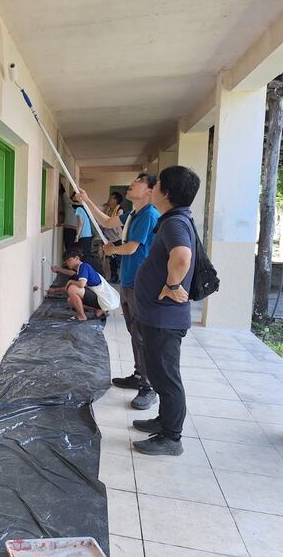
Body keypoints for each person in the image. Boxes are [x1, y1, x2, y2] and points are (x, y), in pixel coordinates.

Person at [131, 165, 200, 456]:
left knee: (167, 378)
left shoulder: (174, 223)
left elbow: (182, 257)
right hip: (157, 317)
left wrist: (172, 286)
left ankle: (172, 437)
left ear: (166, 192)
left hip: (164, 318)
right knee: (160, 375)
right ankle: (164, 421)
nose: (153, 187)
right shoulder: (174, 219)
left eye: (157, 184)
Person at [79, 174, 160, 410]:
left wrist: (111, 248)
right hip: (128, 281)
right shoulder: (133, 214)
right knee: (134, 332)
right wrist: (86, 201)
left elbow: (132, 247)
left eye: (138, 182)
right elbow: (106, 222)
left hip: (141, 283)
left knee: (142, 335)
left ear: (149, 190)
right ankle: (138, 375)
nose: (132, 184)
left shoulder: (149, 214)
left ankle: (148, 387)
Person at [50, 248, 106, 321]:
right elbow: (73, 275)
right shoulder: (80, 269)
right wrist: (55, 290)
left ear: (77, 258)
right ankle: (99, 308)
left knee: (72, 288)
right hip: (99, 298)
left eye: (69, 260)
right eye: (66, 261)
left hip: (102, 298)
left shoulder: (84, 266)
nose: (67, 263)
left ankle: (82, 316)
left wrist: (70, 282)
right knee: (71, 301)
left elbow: (81, 285)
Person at [103, 192, 125, 283]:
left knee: (119, 260)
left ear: (116, 200)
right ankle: (114, 277)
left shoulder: (120, 210)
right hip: (110, 239)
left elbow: (114, 223)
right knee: (112, 260)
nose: (109, 199)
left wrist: (107, 224)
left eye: (111, 198)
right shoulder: (108, 209)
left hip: (118, 239)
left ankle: (123, 278)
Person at [72, 194, 94, 263]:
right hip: (88, 235)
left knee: (82, 254)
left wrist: (77, 236)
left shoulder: (78, 209)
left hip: (84, 235)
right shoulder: (83, 209)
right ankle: (88, 270)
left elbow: (80, 223)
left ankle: (84, 270)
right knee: (87, 254)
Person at [58, 184, 77, 250]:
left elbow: (64, 193)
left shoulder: (68, 203)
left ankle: (69, 259)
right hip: (75, 231)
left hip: (68, 230)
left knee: (68, 247)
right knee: (72, 248)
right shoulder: (81, 208)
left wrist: (61, 183)